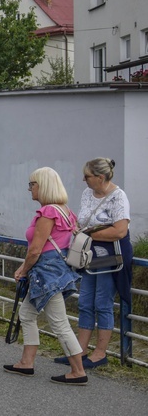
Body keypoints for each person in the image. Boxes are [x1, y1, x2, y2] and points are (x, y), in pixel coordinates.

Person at [4, 167, 87, 385]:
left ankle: (78, 370)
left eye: (33, 184)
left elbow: (35, 249)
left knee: (59, 323)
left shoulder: (48, 212)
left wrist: (23, 269)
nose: (30, 188)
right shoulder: (65, 211)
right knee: (27, 314)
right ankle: (26, 362)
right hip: (57, 270)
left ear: (43, 186)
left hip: (46, 273)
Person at [56, 158, 132, 369]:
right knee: (85, 302)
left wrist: (87, 233)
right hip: (89, 256)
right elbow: (85, 222)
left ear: (100, 177)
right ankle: (80, 351)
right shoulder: (87, 194)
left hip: (109, 258)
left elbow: (120, 231)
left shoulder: (118, 197)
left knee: (102, 304)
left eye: (87, 176)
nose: (84, 179)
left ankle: (100, 353)